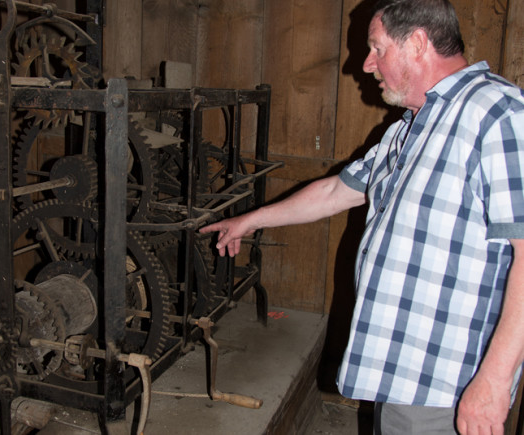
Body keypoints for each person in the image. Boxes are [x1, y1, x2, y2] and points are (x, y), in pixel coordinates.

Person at [199, 0, 524, 433]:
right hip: (403, 373)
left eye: (376, 48)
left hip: (450, 385)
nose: (366, 64)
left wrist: (495, 381)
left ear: (418, 43)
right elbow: (336, 191)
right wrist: (250, 220)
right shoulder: (409, 127)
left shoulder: (498, 113)